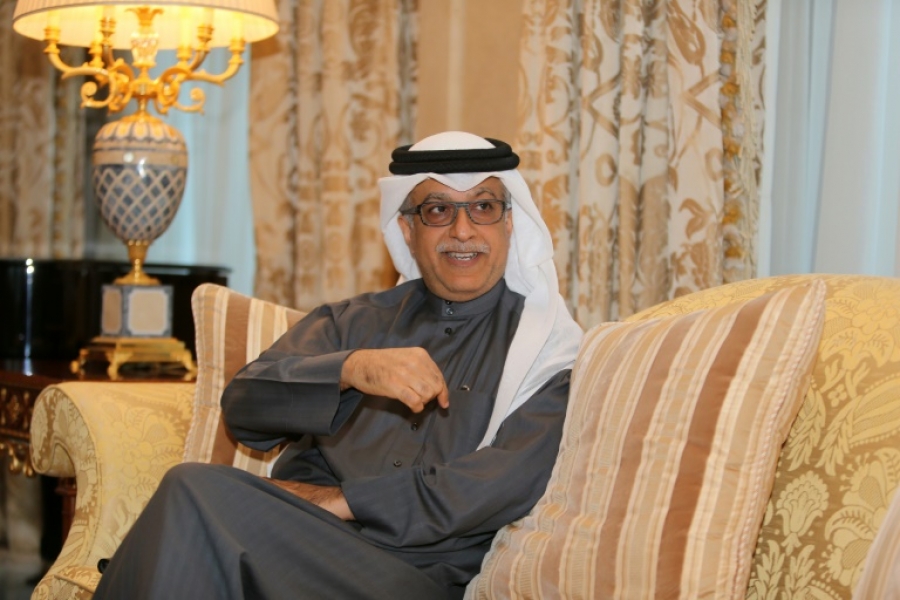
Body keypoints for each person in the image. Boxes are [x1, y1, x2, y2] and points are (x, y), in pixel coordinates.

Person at [92, 131, 583, 600]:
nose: (462, 230)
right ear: (407, 230)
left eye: (483, 207)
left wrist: (339, 501)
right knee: (193, 524)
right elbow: (243, 409)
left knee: (193, 492)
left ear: (509, 223)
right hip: (292, 547)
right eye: (437, 210)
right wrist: (351, 371)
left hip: (413, 575)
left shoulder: (547, 349)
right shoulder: (354, 323)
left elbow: (495, 484)